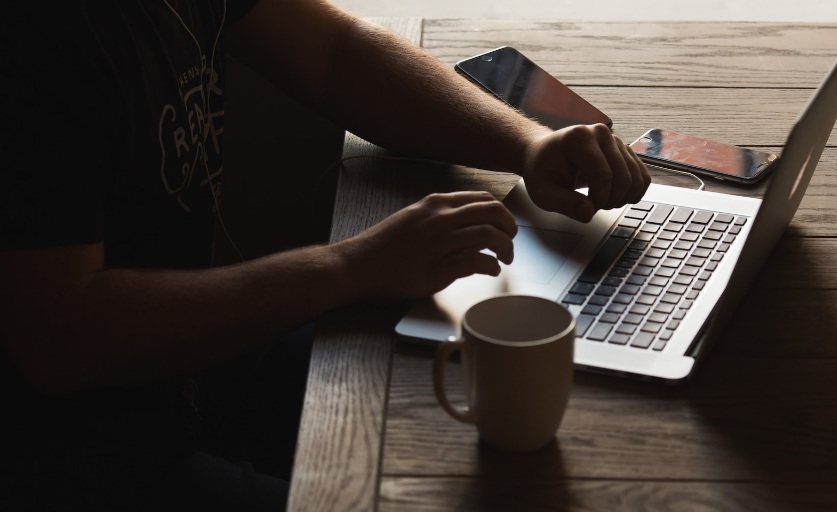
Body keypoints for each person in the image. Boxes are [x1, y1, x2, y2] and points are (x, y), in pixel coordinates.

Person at [0, 0, 649, 510]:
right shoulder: (36, 34)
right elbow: (64, 336)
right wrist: (351, 267)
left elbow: (339, 54)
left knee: (488, 401)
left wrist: (529, 146)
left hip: (191, 368)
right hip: (77, 453)